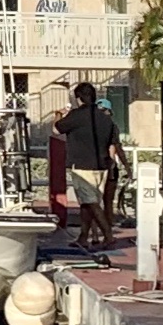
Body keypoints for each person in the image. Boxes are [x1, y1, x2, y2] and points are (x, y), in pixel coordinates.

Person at [59, 80, 122, 254]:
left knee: (91, 202)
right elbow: (112, 144)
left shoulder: (76, 115)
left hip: (81, 165)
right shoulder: (105, 118)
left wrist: (60, 115)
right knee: (87, 203)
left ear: (78, 98)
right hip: (101, 166)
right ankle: (83, 236)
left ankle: (108, 235)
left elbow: (57, 130)